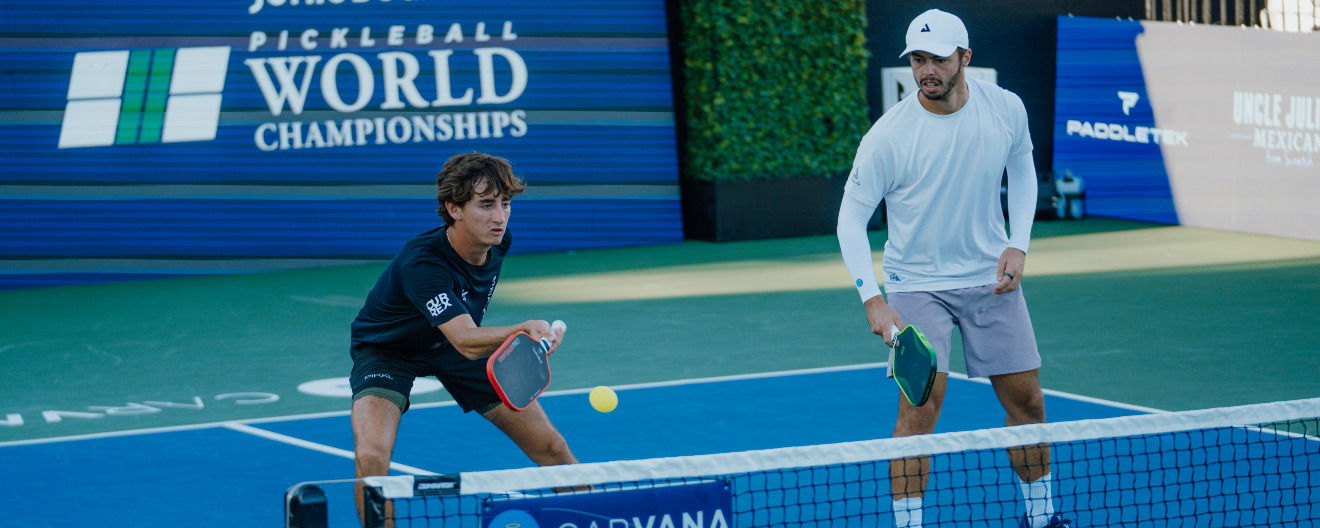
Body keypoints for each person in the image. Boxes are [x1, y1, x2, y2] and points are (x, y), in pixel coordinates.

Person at [835, 9, 1071, 528]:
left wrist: (1019, 244)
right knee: (919, 412)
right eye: (918, 60)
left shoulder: (1006, 108)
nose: (926, 71)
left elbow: (1024, 170)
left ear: (965, 57)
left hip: (990, 281)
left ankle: (1042, 517)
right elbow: (850, 219)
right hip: (916, 286)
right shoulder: (887, 137)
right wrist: (871, 297)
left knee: (1028, 405)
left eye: (938, 59)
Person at [348, 152, 576, 524]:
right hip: (389, 351)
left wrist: (532, 340)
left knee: (552, 447)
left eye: (505, 204)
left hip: (453, 348)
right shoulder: (423, 264)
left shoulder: (497, 243)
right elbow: (467, 339)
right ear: (453, 208)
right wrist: (521, 329)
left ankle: (590, 518)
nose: (499, 217)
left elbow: (463, 339)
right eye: (486, 205)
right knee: (372, 455)